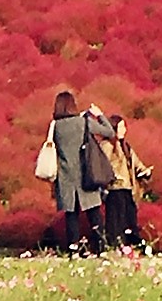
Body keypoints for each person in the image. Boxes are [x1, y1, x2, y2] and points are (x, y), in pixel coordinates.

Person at [48, 90, 114, 253]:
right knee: (94, 213)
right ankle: (100, 249)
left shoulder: (55, 126)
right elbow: (109, 132)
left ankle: (73, 250)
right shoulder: (83, 123)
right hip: (86, 174)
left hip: (65, 177)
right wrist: (99, 115)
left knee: (71, 215)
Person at [98, 114, 152, 248]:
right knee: (116, 220)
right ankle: (116, 244)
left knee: (130, 218)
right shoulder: (107, 145)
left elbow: (136, 163)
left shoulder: (125, 146)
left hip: (128, 188)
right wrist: (113, 176)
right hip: (115, 189)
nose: (124, 130)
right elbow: (103, 165)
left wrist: (145, 171)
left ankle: (132, 244)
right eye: (121, 127)